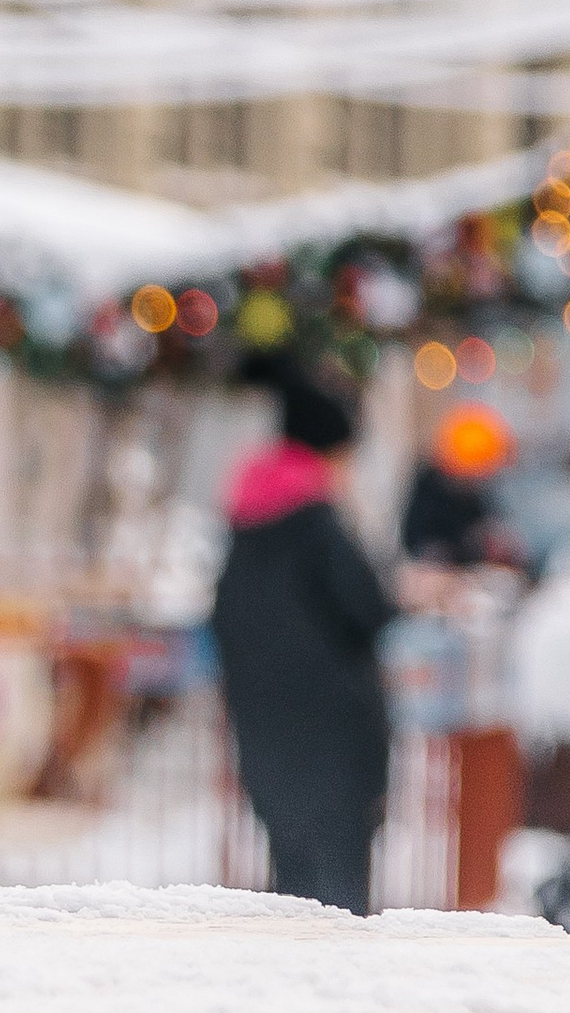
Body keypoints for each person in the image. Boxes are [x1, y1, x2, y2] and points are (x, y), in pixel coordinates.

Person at [210, 359, 396, 914]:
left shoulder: (246, 520)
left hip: (267, 735)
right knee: (339, 901)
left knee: (292, 888)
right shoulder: (315, 518)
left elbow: (223, 618)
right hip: (335, 737)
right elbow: (370, 606)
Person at [401, 400, 519, 574]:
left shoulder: (476, 496)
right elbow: (421, 548)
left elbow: (493, 531)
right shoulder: (429, 494)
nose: (479, 481)